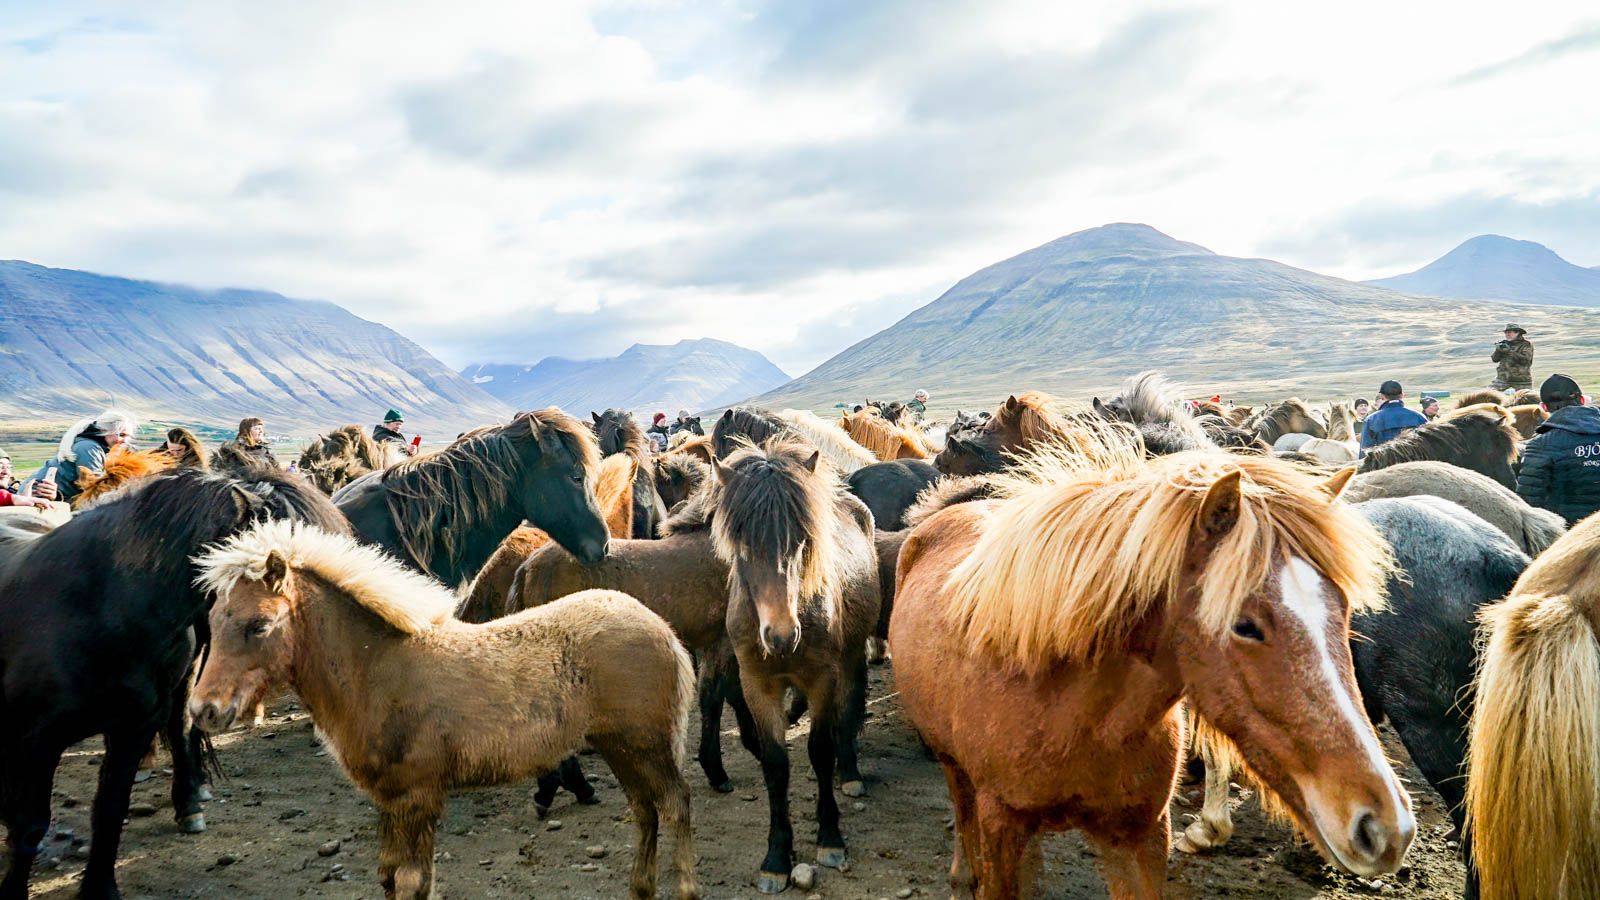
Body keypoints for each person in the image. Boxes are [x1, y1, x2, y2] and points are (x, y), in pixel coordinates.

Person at [1515, 374, 1600, 524]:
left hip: (1570, 537)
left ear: (1543, 407)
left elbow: (1528, 502)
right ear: (1582, 401)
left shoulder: (1540, 445)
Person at [29, 408, 138, 503]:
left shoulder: (99, 448)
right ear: (103, 430)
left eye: (128, 437)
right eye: (121, 435)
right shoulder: (89, 448)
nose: (125, 441)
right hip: (41, 496)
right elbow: (94, 488)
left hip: (57, 497)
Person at [1358, 381, 1427, 458]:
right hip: (1415, 466)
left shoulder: (1371, 420)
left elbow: (1365, 452)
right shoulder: (1419, 417)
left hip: (1384, 467)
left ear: (1382, 396)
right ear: (1402, 395)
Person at [1490, 324, 1534, 392]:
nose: (1507, 334)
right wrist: (1498, 350)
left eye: (1509, 332)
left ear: (1517, 333)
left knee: (1524, 400)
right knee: (1487, 396)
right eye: (1506, 333)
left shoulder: (1526, 345)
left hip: (1521, 382)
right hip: (1502, 380)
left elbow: (1526, 361)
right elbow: (1494, 359)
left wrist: (1509, 352)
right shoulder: (1504, 344)